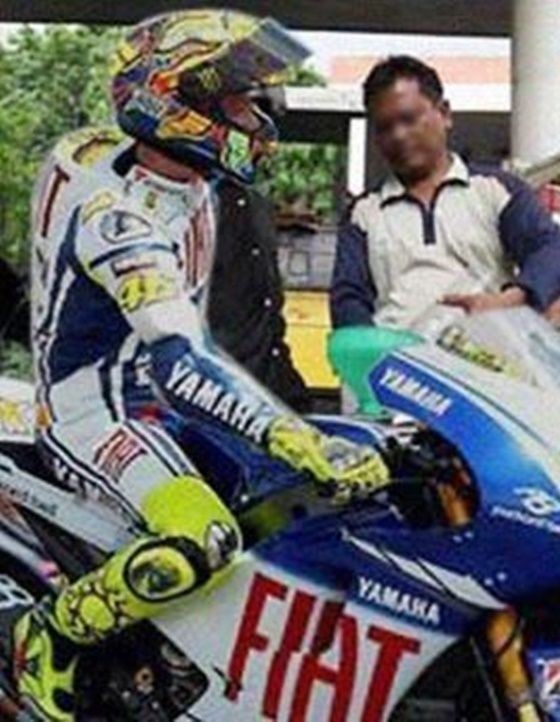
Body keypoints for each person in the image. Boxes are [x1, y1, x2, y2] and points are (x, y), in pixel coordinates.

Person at [19, 11, 389, 720]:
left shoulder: (188, 185)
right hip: (92, 413)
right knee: (203, 538)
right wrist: (293, 434)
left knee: (296, 510)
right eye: (237, 100)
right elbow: (183, 360)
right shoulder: (116, 219)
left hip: (158, 405)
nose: (256, 116)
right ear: (176, 102)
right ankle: (54, 632)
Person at [330, 55, 560, 330]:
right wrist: (368, 347)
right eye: (384, 127)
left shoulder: (495, 191)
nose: (398, 135)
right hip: (395, 356)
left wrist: (512, 299)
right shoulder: (363, 214)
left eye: (409, 119)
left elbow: (555, 252)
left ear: (445, 114)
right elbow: (348, 299)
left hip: (486, 353)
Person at [208, 181, 313, 412]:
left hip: (271, 380)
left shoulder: (258, 205)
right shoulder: (202, 203)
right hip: (220, 383)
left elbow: (269, 305)